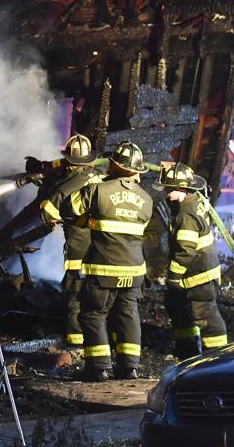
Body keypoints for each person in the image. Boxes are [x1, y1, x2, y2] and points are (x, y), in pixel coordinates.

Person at [63, 141, 153, 381]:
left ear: (113, 165)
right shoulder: (146, 200)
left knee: (93, 314)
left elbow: (68, 209)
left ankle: (99, 367)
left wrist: (88, 221)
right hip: (135, 271)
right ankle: (129, 367)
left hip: (103, 268)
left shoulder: (98, 190)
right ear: (137, 171)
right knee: (128, 315)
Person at [39, 134, 104, 348]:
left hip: (79, 249)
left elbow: (48, 214)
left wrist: (47, 199)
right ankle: (102, 337)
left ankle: (76, 342)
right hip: (105, 249)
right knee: (99, 295)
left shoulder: (65, 187)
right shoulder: (100, 177)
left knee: (75, 293)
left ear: (69, 162)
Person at [158, 162, 228, 359]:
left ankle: (216, 357)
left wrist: (173, 276)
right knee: (176, 305)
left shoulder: (186, 213)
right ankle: (186, 351)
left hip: (198, 274)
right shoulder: (194, 200)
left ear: (181, 188)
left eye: (169, 189)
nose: (166, 193)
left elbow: (185, 250)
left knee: (206, 316)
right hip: (198, 270)